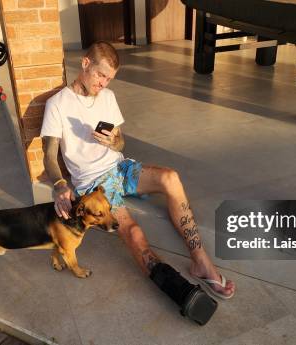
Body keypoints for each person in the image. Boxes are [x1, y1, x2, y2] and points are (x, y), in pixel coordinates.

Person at [40, 41, 235, 322]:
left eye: (109, 78)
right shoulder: (57, 104)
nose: (103, 83)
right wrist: (60, 185)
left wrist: (115, 141)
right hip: (95, 186)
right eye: (100, 75)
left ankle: (201, 261)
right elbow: (48, 156)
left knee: (170, 177)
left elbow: (121, 143)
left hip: (120, 168)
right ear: (85, 64)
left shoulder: (107, 96)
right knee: (132, 232)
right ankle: (177, 289)